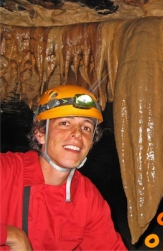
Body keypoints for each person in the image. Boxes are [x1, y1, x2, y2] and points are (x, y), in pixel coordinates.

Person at [0, 85, 127, 250]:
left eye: (86, 128)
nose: (78, 133)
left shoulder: (87, 199)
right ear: (40, 133)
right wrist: (13, 236)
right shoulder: (6, 171)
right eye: (65, 123)